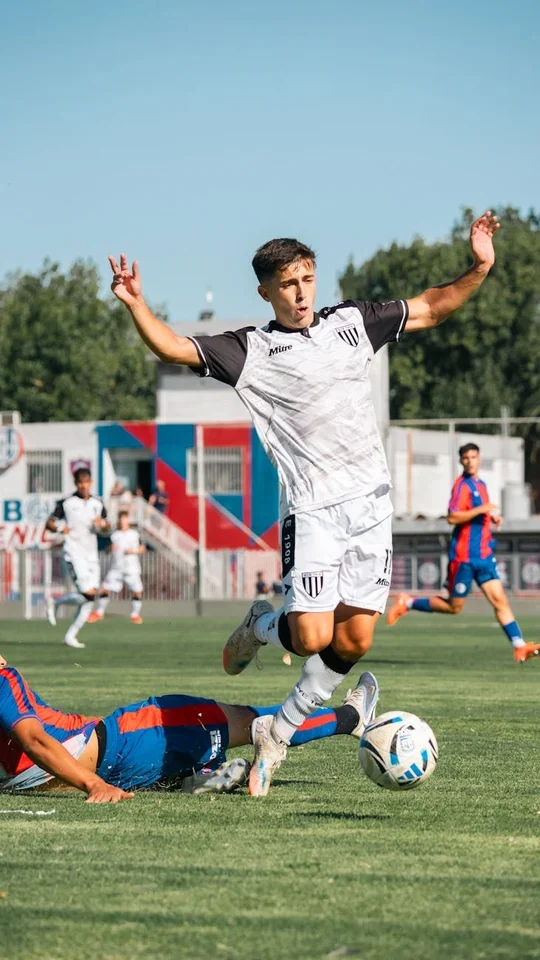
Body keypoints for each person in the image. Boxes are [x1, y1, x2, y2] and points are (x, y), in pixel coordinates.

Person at [108, 210, 500, 796]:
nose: (300, 292)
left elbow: (432, 305)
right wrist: (137, 304)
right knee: (312, 636)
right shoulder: (250, 351)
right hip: (313, 510)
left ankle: (279, 733)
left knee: (354, 642)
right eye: (287, 284)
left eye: (307, 279)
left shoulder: (353, 323)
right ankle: (263, 626)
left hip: (371, 507)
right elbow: (170, 347)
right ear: (265, 291)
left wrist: (480, 266)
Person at [0, 659, 378, 801]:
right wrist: (93, 785)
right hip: (132, 740)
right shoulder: (3, 679)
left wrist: (96, 782)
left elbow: (29, 747)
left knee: (243, 724)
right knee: (254, 724)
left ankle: (200, 775)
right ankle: (350, 717)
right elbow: (34, 741)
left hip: (123, 761)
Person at [387, 443, 540, 662]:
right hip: (464, 557)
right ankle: (407, 602)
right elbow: (452, 517)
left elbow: (478, 515)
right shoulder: (461, 486)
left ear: (479, 459)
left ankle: (519, 646)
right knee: (454, 607)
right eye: (465, 457)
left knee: (500, 601)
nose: (470, 461)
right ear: (461, 461)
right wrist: (481, 510)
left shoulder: (481, 484)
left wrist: (491, 517)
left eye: (473, 456)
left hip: (484, 556)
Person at [45, 468, 110, 649]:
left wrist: (102, 525)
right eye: (80, 482)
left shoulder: (98, 503)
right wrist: (59, 529)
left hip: (91, 555)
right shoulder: (67, 503)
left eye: (86, 482)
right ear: (76, 483)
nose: (84, 485)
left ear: (91, 482)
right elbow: (49, 523)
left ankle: (70, 635)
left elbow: (106, 527)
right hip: (74, 553)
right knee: (88, 594)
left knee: (90, 598)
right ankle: (55, 602)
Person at [88, 511, 146, 625]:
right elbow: (106, 550)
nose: (122, 522)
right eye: (121, 520)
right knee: (104, 588)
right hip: (117, 567)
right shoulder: (114, 535)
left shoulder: (134, 534)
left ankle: (135, 615)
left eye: (125, 520)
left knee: (137, 591)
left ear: (128, 521)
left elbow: (142, 548)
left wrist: (133, 551)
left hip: (132, 568)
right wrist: (110, 548)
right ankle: (99, 612)